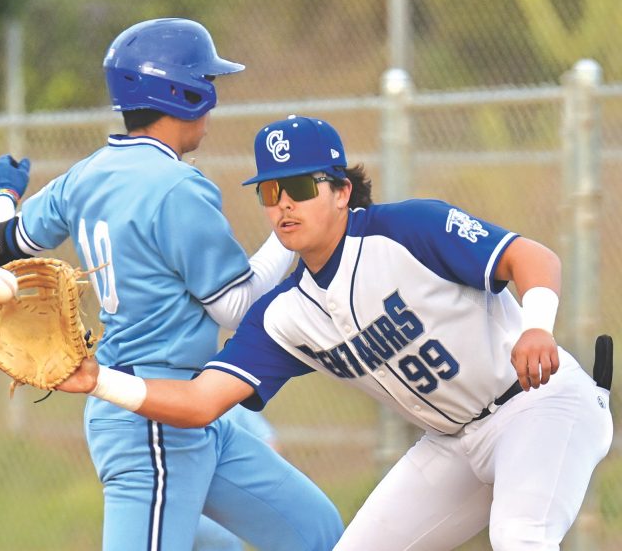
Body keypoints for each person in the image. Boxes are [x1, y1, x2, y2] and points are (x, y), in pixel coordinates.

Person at [59, 115, 614, 551]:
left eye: (299, 186)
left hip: (540, 406)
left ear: (342, 191)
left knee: (520, 538)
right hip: (453, 442)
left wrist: (537, 326)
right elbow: (202, 401)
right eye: (269, 192)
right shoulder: (286, 313)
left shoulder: (408, 230)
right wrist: (98, 380)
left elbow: (530, 256)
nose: (283, 205)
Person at [0, 21, 342, 551]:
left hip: (195, 408)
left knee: (317, 533)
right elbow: (236, 307)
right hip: (149, 422)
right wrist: (294, 228)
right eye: (206, 83)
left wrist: (1, 194)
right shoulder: (179, 187)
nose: (212, 100)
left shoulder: (86, 175)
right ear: (184, 94)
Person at [194, 407, 280, 551]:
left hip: (172, 506)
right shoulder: (231, 399)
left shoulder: (163, 396)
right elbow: (269, 445)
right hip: (218, 514)